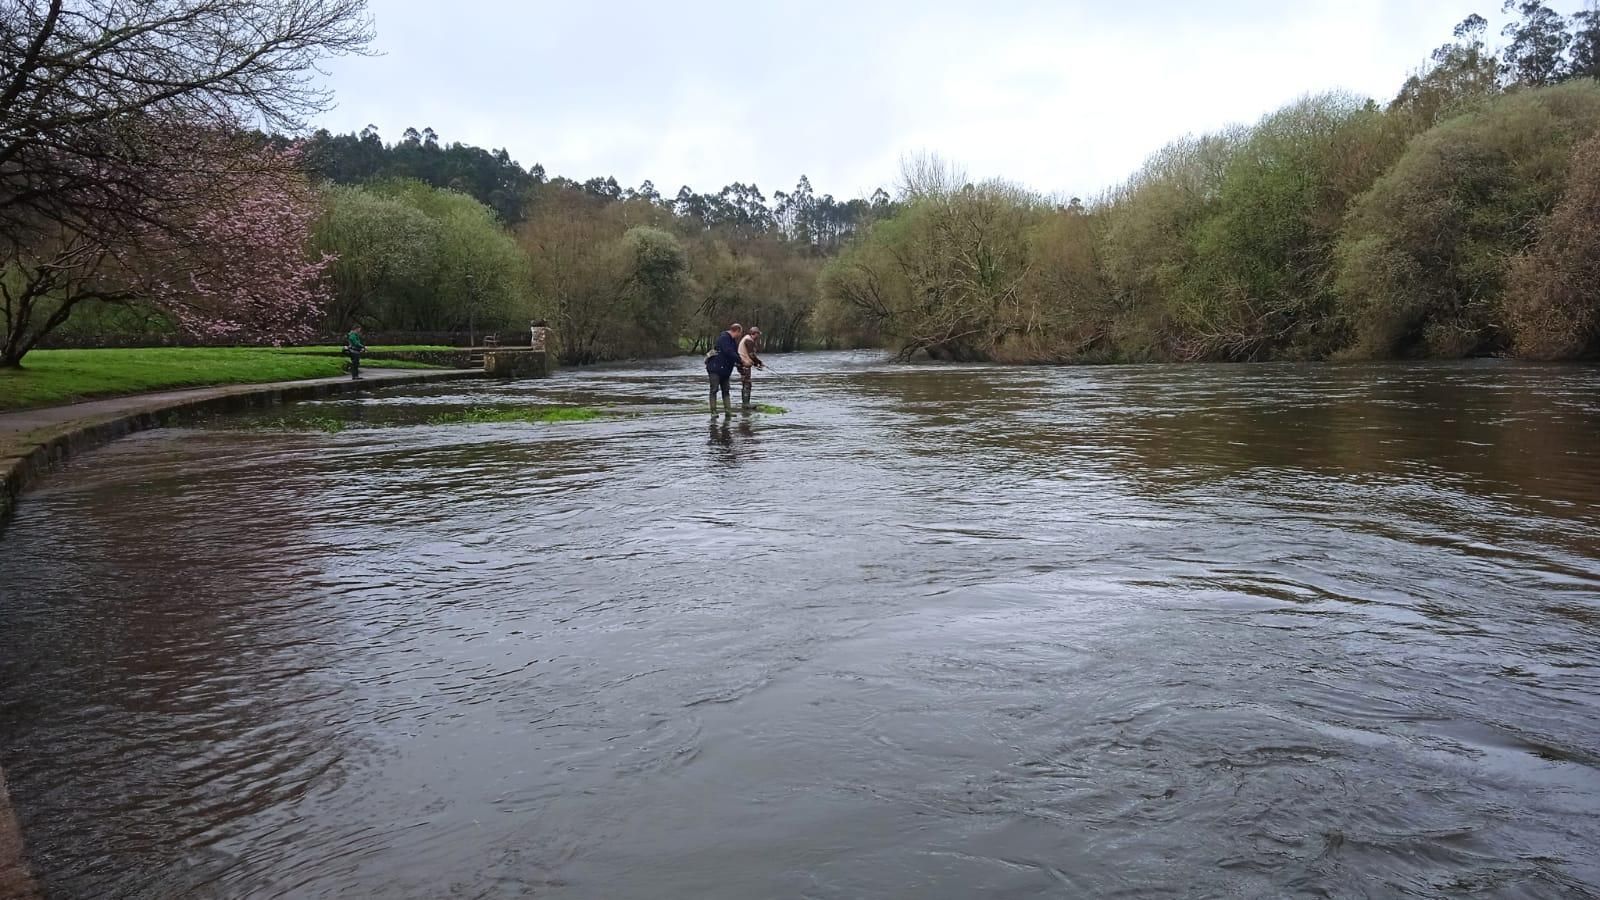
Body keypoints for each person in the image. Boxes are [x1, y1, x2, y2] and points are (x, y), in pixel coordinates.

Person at [704, 323, 742, 414]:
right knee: (714, 390)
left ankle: (728, 412)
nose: (740, 335)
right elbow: (728, 352)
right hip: (715, 369)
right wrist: (740, 360)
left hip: (725, 371)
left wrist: (739, 362)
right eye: (740, 332)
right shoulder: (724, 338)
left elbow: (734, 354)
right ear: (737, 331)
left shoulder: (732, 341)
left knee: (726, 391)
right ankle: (713, 412)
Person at [737, 326, 765, 407]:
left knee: (745, 382)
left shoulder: (746, 338)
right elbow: (751, 355)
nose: (758, 336)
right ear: (754, 334)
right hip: (744, 364)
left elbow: (751, 355)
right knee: (747, 383)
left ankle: (745, 403)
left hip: (742, 363)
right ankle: (746, 404)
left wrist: (757, 363)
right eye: (758, 334)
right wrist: (758, 362)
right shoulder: (749, 340)